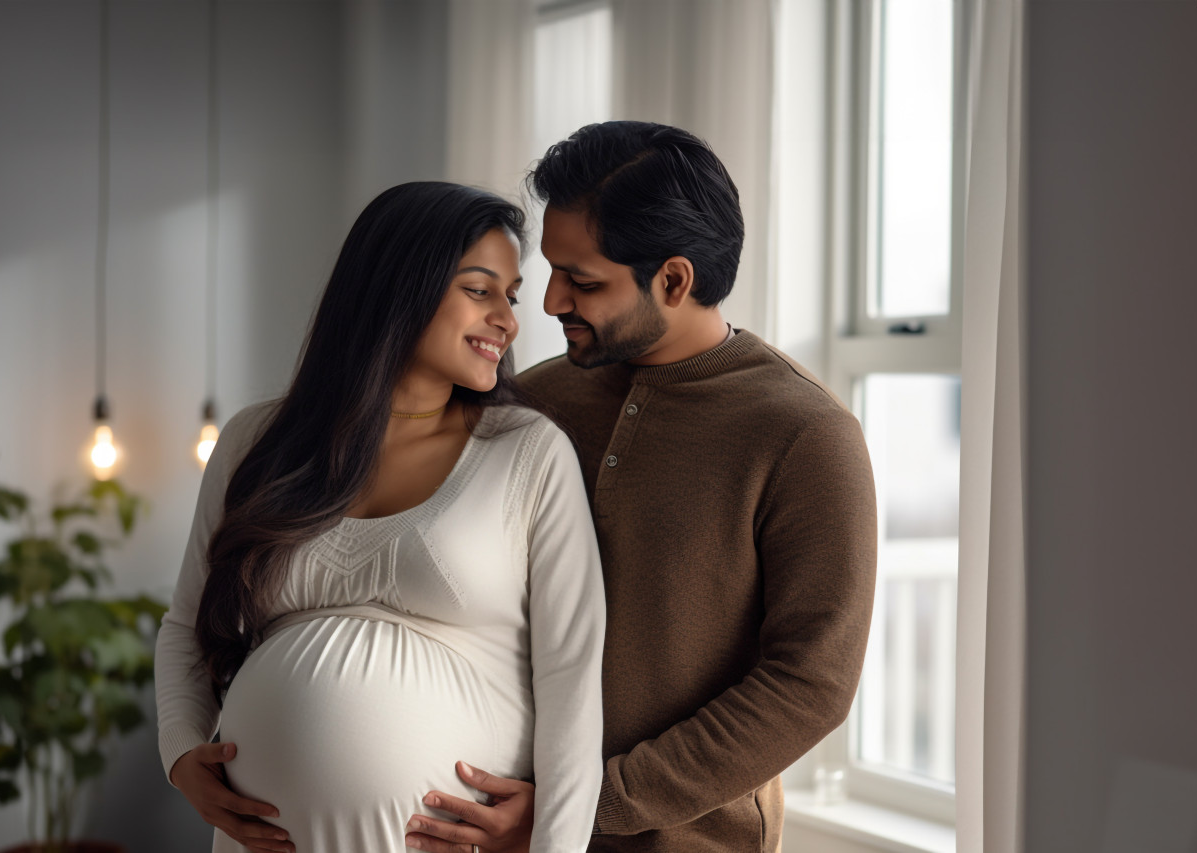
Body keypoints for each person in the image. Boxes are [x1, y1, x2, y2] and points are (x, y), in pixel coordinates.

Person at [403, 122, 877, 853]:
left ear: (675, 280)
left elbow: (809, 685)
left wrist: (584, 804)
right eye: (553, 271)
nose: (551, 299)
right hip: (489, 827)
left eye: (583, 280)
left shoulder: (808, 436)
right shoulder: (530, 400)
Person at [154, 182, 606, 853]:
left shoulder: (527, 452)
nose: (508, 320)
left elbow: (572, 684)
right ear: (400, 284)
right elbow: (185, 627)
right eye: (480, 290)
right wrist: (181, 753)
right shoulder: (255, 442)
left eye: (509, 297)